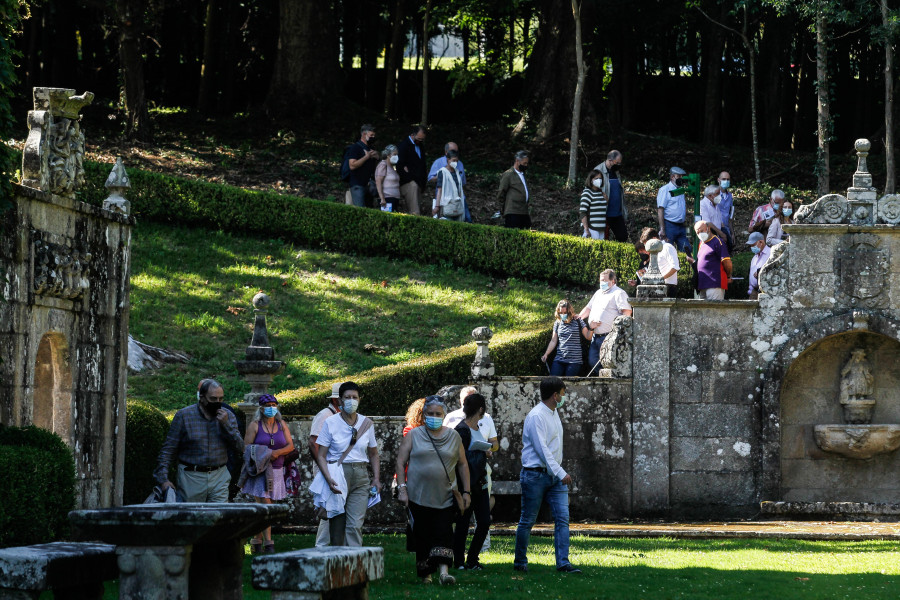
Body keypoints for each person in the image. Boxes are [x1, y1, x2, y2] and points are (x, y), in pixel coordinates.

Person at [396, 396, 471, 585]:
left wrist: (466, 491)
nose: (434, 417)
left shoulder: (454, 436)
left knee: (444, 532)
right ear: (424, 415)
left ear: (444, 415)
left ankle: (444, 573)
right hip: (418, 495)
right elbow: (400, 461)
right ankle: (426, 574)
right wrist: (402, 489)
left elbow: (463, 464)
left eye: (438, 414)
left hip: (445, 494)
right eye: (430, 414)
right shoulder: (413, 435)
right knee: (422, 535)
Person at [513, 377, 580, 574]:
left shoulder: (553, 412)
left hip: (554, 476)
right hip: (535, 475)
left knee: (562, 518)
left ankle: (563, 563)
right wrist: (561, 472)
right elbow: (542, 450)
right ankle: (520, 562)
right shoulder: (536, 416)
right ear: (555, 395)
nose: (564, 396)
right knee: (528, 520)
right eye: (563, 393)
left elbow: (554, 447)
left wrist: (558, 472)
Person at [311, 382, 382, 547]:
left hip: (361, 475)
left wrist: (376, 478)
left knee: (355, 525)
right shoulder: (331, 422)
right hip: (337, 474)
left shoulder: (367, 423)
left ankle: (354, 566)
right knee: (336, 524)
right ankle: (336, 564)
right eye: (347, 397)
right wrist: (328, 479)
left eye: (354, 397)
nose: (351, 400)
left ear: (359, 399)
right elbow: (321, 455)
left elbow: (373, 453)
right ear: (340, 401)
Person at [154, 378, 243, 502]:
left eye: (221, 399)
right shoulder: (184, 416)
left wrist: (226, 425)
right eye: (213, 399)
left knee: (219, 517)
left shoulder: (227, 415)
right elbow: (168, 450)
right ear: (201, 397)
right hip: (191, 477)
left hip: (219, 476)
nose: (217, 402)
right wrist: (163, 479)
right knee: (191, 517)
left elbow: (240, 447)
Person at [240, 394, 295, 554]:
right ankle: (269, 543)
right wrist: (264, 453)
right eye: (268, 405)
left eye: (273, 404)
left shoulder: (281, 424)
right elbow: (247, 447)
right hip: (260, 470)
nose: (271, 408)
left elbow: (290, 445)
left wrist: (276, 453)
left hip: (276, 469)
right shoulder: (254, 425)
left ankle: (256, 540)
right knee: (266, 505)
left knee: (262, 506)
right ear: (261, 408)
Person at [452, 393, 492, 571]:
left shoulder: (476, 427)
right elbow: (460, 458)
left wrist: (485, 452)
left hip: (480, 483)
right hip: (466, 484)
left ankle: (472, 558)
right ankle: (459, 561)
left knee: (484, 521)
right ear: (481, 409)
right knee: (462, 523)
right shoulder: (462, 430)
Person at [578, 270, 632, 373]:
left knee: (608, 364)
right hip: (595, 336)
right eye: (600, 280)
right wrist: (579, 317)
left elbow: (627, 313)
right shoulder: (598, 293)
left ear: (612, 281)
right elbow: (588, 308)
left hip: (609, 337)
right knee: (592, 362)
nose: (601, 283)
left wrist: (618, 332)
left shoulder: (618, 293)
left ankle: (607, 386)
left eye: (604, 280)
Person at [308, 383, 342, 547]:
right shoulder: (325, 415)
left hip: (336, 467)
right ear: (336, 399)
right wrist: (324, 470)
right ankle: (321, 546)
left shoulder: (340, 415)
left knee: (336, 506)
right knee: (328, 507)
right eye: (345, 397)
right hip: (326, 468)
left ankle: (332, 545)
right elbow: (313, 442)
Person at [541, 300, 590, 376]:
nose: (563, 314)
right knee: (553, 381)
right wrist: (546, 354)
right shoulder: (557, 323)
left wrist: (592, 328)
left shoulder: (578, 321)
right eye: (561, 313)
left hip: (574, 361)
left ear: (569, 311)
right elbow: (553, 340)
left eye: (565, 313)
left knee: (569, 383)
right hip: (559, 359)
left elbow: (588, 336)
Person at [428, 142, 471, 222]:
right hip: (445, 200)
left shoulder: (459, 166)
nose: (455, 162)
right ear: (446, 153)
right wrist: (442, 177)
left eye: (456, 151)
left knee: (466, 221)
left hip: (459, 199)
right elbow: (431, 180)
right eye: (452, 151)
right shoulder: (439, 165)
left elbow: (463, 183)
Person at [593, 150, 627, 242]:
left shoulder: (616, 171)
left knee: (623, 237)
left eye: (620, 163)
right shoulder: (598, 171)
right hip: (604, 213)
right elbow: (593, 192)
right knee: (603, 240)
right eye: (617, 163)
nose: (619, 165)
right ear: (610, 160)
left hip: (617, 213)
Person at [694, 220, 732, 300]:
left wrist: (728, 276)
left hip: (715, 284)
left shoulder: (718, 242)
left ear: (708, 228)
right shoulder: (701, 244)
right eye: (697, 233)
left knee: (715, 311)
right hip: (702, 285)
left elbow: (727, 262)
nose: (700, 234)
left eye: (701, 231)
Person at [656, 166, 691, 255]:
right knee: (667, 252)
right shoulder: (665, 190)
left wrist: (687, 229)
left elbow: (682, 209)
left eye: (682, 176)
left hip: (681, 226)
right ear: (672, 177)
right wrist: (662, 229)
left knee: (687, 250)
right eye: (679, 176)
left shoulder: (681, 190)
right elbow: (660, 210)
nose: (681, 179)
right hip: (669, 225)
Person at [637, 227, 680, 297]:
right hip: (656, 286)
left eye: (647, 244)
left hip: (668, 286)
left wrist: (660, 279)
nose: (646, 247)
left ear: (654, 239)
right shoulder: (654, 251)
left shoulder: (667, 247)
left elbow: (675, 267)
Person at [347, 124, 380, 208]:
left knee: (369, 209)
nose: (373, 137)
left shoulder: (371, 148)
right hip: (357, 184)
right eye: (371, 135)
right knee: (360, 210)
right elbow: (352, 165)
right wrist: (366, 157)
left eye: (374, 135)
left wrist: (377, 157)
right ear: (364, 134)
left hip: (369, 185)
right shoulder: (355, 148)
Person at [397, 124, 427, 215]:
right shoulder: (403, 146)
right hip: (409, 183)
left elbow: (422, 165)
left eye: (422, 139)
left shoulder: (420, 146)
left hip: (419, 183)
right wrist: (410, 178)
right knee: (415, 212)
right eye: (419, 138)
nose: (420, 141)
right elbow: (400, 167)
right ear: (413, 134)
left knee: (417, 209)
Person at [498, 150, 531, 229]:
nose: (526, 165)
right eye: (524, 163)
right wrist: (503, 209)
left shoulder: (523, 175)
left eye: (527, 163)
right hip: (513, 211)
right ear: (517, 161)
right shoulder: (508, 174)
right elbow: (501, 192)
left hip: (523, 211)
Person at [433, 149, 466, 221]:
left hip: (457, 205)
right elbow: (439, 190)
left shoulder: (457, 172)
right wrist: (437, 206)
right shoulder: (442, 172)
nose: (455, 163)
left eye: (456, 161)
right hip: (447, 205)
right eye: (453, 160)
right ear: (448, 159)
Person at [579, 169, 607, 240]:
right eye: (596, 178)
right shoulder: (587, 193)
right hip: (592, 228)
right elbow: (582, 212)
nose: (599, 180)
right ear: (591, 180)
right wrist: (586, 229)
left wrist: (607, 200)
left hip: (601, 228)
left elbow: (602, 208)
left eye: (600, 178)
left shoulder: (601, 193)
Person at [374, 145, 401, 212]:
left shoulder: (393, 166)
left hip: (395, 198)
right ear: (388, 155)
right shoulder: (383, 165)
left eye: (397, 154)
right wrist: (382, 198)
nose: (396, 156)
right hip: (387, 198)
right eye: (394, 154)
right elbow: (378, 181)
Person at [746, 231, 771, 299]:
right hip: (754, 292)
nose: (751, 247)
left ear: (761, 242)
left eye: (753, 245)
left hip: (766, 292)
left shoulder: (771, 254)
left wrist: (761, 273)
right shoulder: (754, 258)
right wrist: (750, 291)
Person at [716, 171, 735, 251]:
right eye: (724, 179)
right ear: (718, 180)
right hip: (716, 229)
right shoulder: (714, 194)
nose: (726, 181)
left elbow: (730, 215)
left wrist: (732, 233)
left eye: (728, 179)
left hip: (726, 229)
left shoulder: (730, 196)